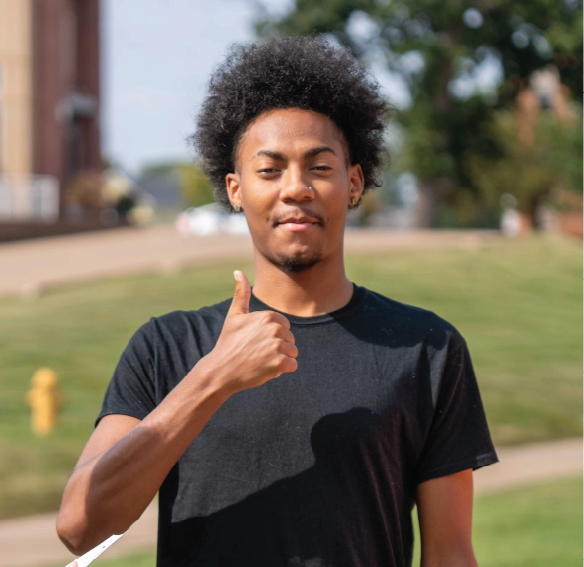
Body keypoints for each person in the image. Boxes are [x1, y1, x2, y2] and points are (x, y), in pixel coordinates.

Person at [56, 37, 497, 566]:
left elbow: (451, 553)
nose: (296, 189)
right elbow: (80, 527)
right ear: (236, 189)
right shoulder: (166, 347)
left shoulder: (427, 348)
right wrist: (213, 377)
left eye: (319, 167)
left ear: (353, 182)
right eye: (269, 170)